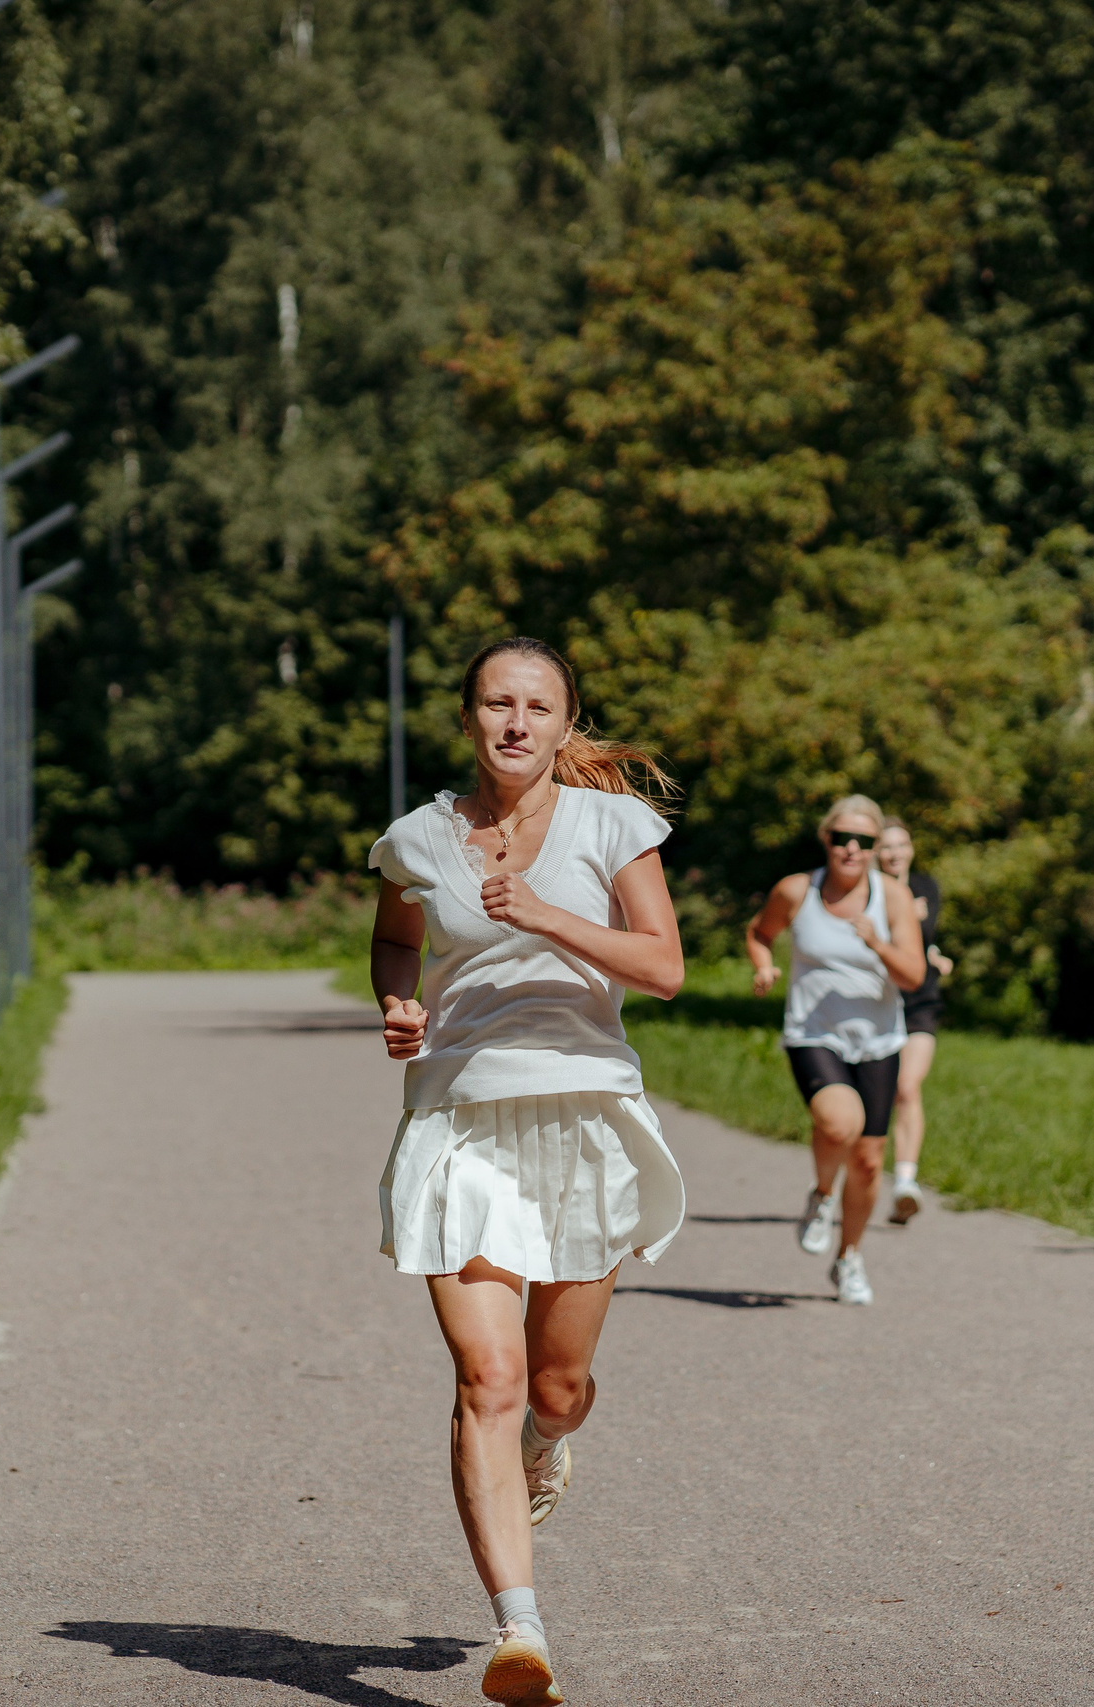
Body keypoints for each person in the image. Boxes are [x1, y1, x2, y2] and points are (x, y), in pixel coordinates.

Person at [368, 636, 687, 1707]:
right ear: (468, 717)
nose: (515, 722)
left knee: (553, 1385)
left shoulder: (611, 826)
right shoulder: (416, 839)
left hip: (583, 1111)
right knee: (487, 1380)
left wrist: (548, 914)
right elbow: (395, 940)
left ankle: (551, 1443)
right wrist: (399, 1001)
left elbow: (667, 968)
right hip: (460, 1119)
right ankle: (521, 1631)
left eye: (536, 706)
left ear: (563, 721)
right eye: (496, 704)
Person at [743, 796, 925, 1306]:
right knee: (839, 1123)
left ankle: (848, 1257)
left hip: (879, 1040)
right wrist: (763, 965)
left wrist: (878, 944)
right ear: (826, 840)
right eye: (841, 838)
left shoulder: (890, 898)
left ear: (873, 847)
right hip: (814, 1033)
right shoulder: (798, 890)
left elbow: (913, 975)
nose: (851, 848)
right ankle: (822, 1196)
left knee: (868, 1163)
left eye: (864, 841)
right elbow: (760, 932)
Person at [876, 817, 954, 1224]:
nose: (894, 854)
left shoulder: (926, 886)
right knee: (872, 1097)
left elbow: (921, 936)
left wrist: (935, 952)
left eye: (901, 845)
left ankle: (906, 1181)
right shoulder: (865, 892)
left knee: (907, 1087)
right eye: (886, 847)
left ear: (910, 848)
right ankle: (849, 1180)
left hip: (921, 998)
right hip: (876, 999)